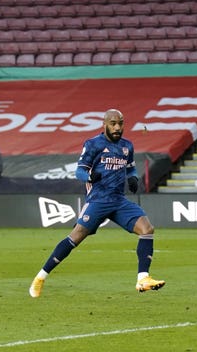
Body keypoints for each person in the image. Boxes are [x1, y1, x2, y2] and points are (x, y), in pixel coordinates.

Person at [29, 109, 165, 298]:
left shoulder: (127, 146)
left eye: (121, 123)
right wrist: (91, 176)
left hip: (118, 201)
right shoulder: (93, 144)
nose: (117, 127)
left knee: (147, 229)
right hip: (98, 200)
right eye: (113, 123)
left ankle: (143, 278)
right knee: (75, 238)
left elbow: (131, 169)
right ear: (105, 124)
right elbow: (79, 172)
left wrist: (133, 178)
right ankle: (40, 277)